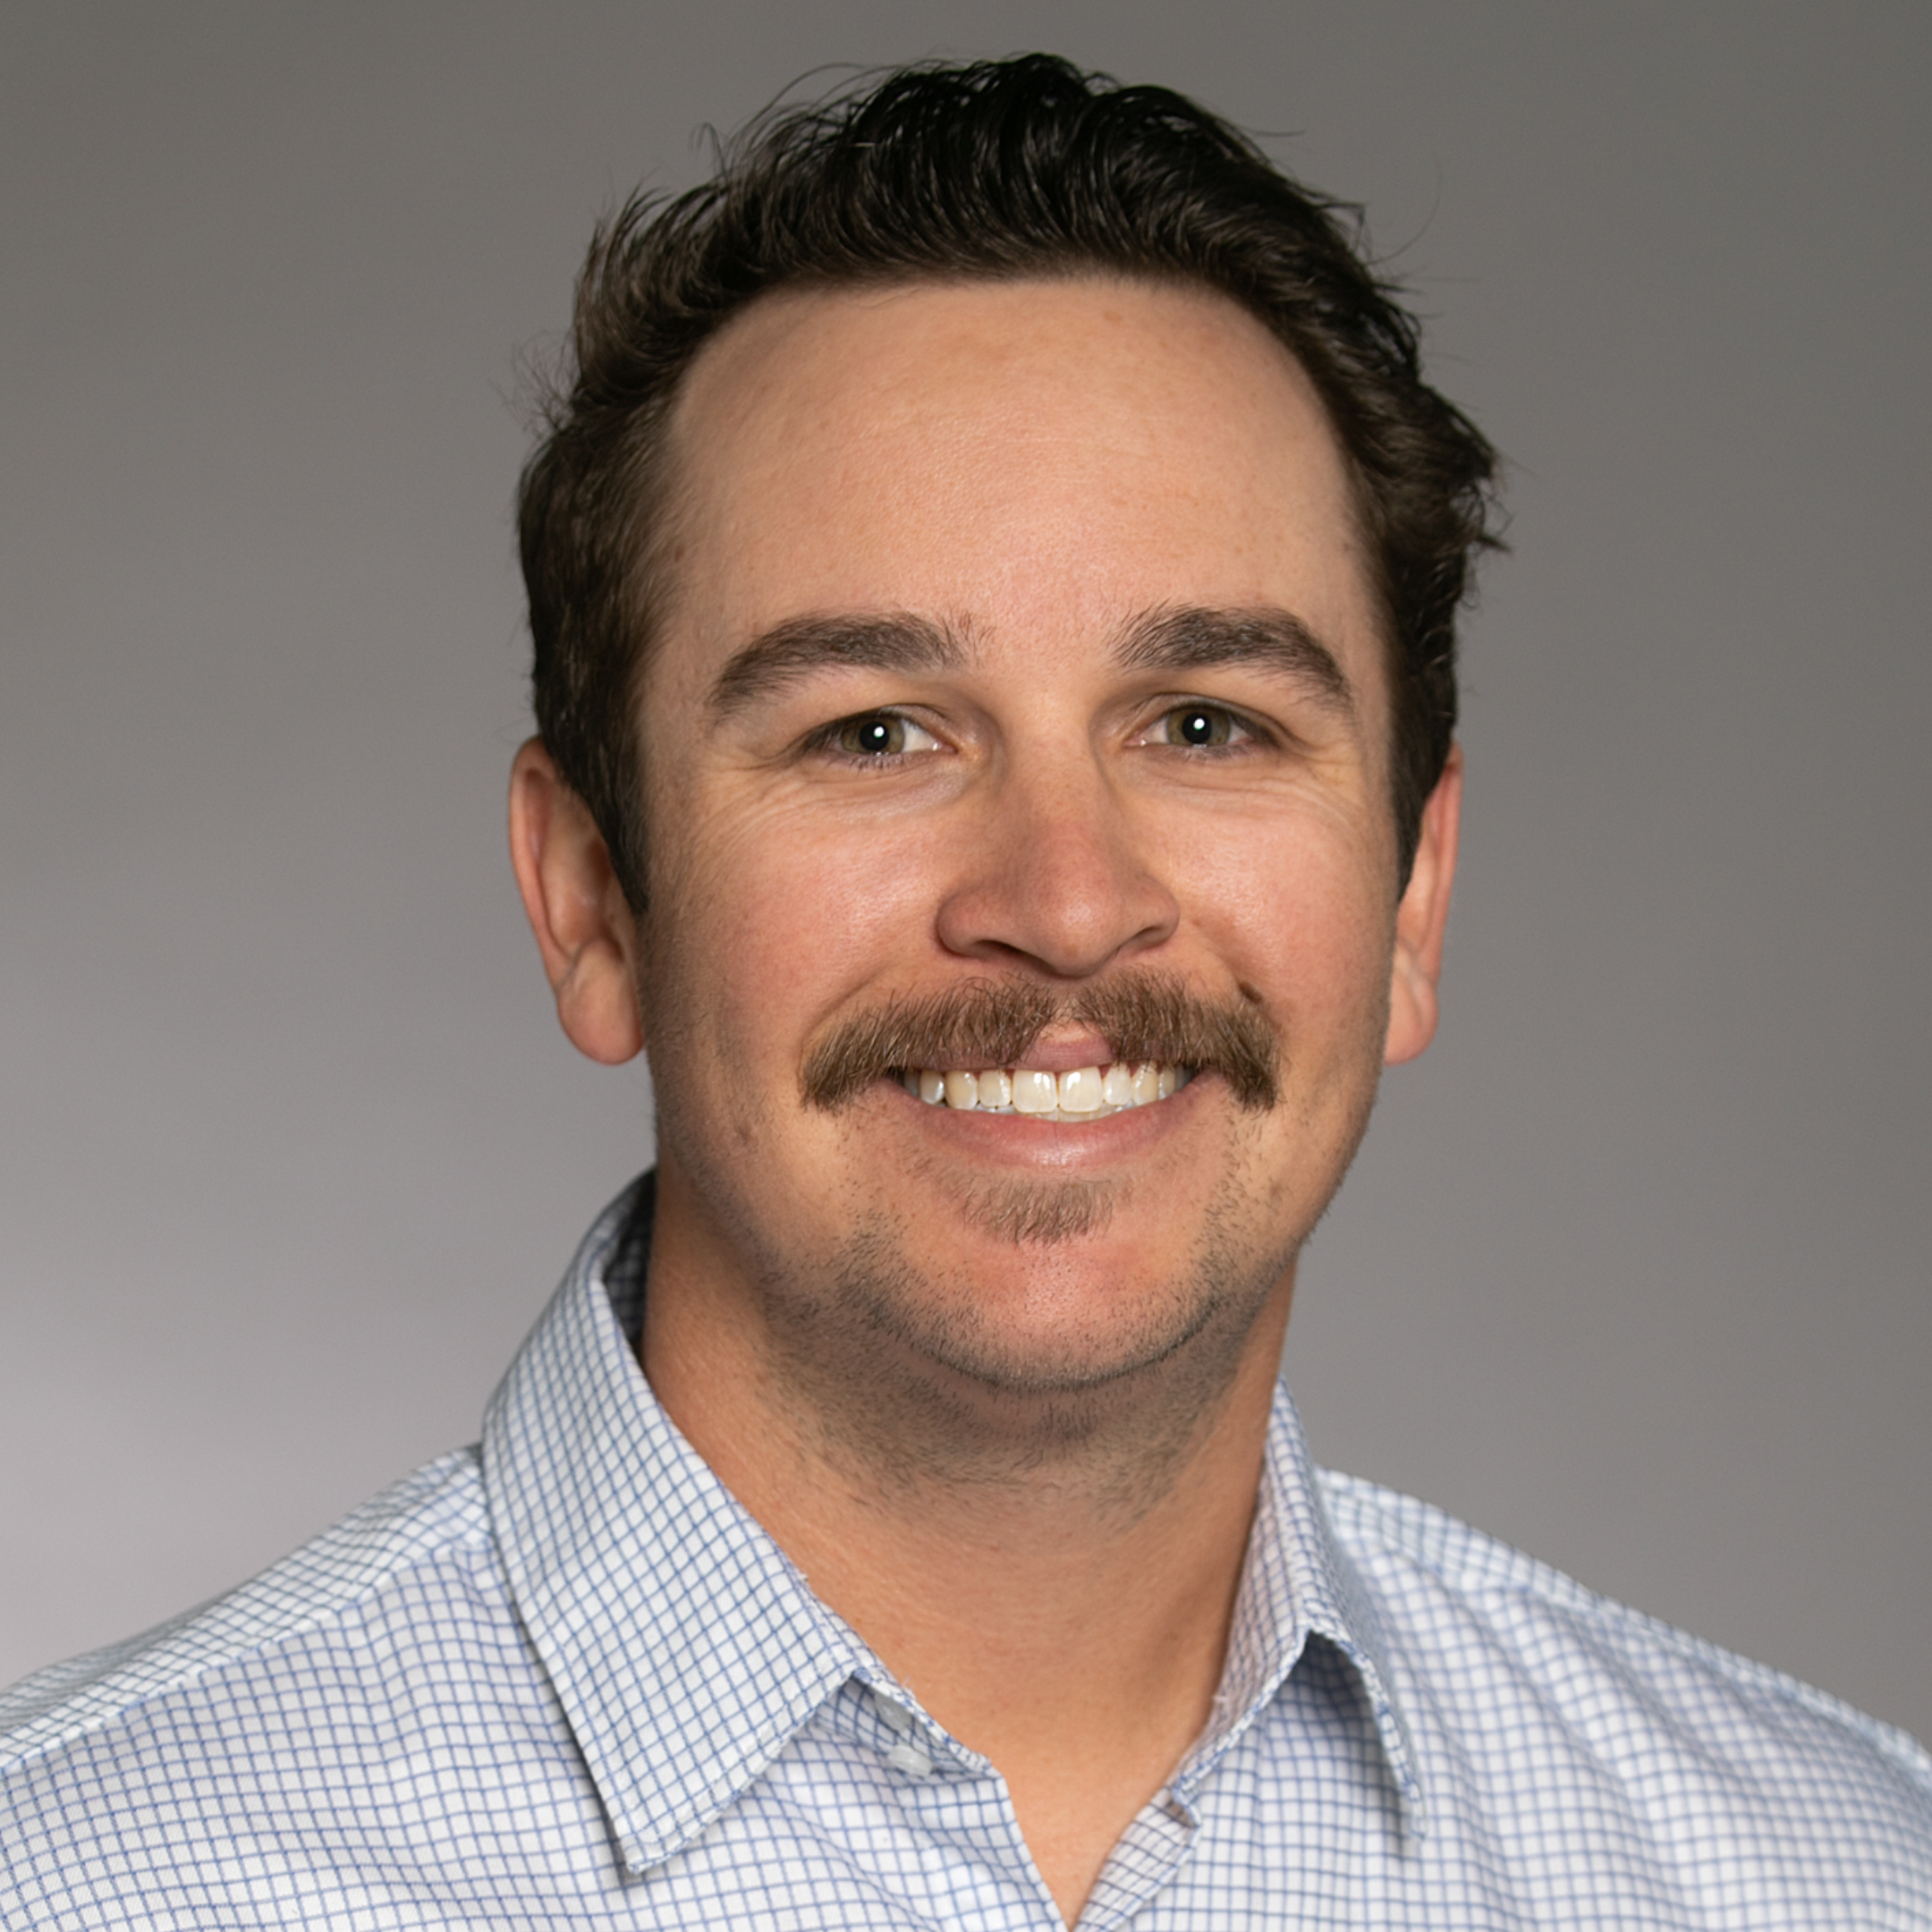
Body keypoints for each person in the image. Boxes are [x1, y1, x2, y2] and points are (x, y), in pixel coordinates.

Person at [2, 54, 1927, 1930]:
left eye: (1204, 723)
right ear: (593, 900)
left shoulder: (1843, 1876)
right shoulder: (78, 1879)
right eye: (875, 733)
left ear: (1413, 896)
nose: (1067, 907)